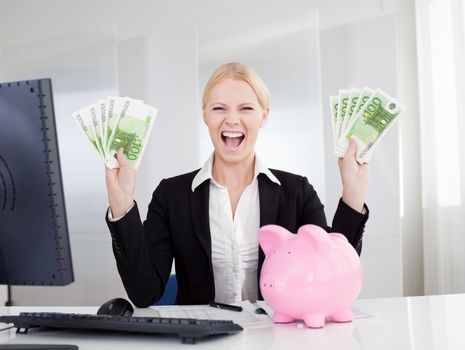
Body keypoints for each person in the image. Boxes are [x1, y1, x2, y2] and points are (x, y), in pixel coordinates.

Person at [105, 62, 369, 308]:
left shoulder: (297, 192)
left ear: (264, 116)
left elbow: (332, 271)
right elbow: (144, 293)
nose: (231, 120)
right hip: (199, 342)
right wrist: (122, 204)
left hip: (277, 339)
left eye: (246, 108)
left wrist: (352, 194)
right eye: (219, 108)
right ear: (205, 115)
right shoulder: (171, 195)